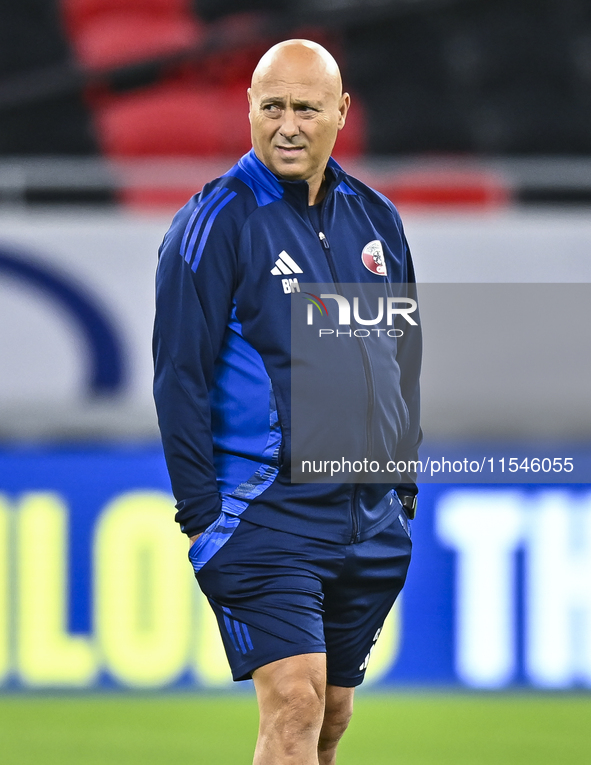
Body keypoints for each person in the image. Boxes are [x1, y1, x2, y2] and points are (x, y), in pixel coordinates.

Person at [153, 39, 421, 765]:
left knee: (330, 713)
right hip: (264, 514)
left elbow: (399, 356)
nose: (288, 125)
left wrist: (401, 485)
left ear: (341, 112)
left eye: (306, 108)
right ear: (248, 110)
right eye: (271, 107)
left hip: (366, 518)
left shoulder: (376, 218)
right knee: (295, 700)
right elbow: (178, 376)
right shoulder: (215, 222)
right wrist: (203, 518)